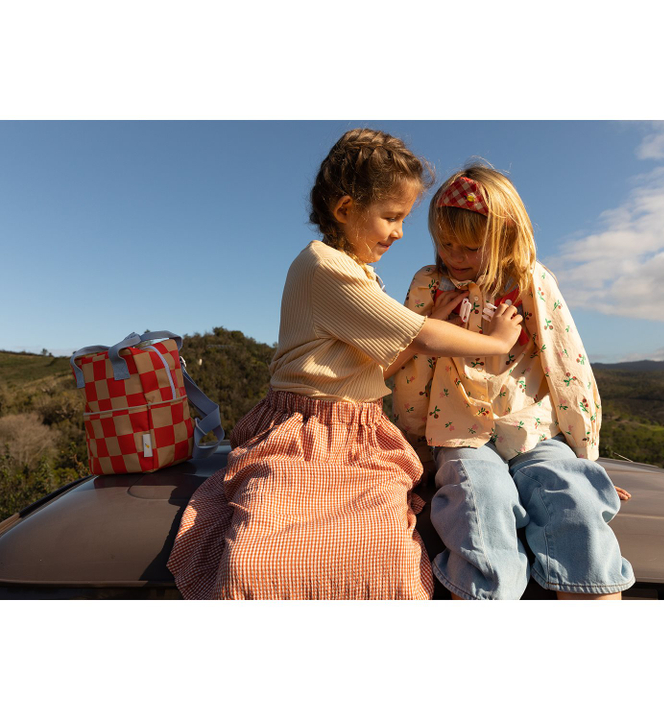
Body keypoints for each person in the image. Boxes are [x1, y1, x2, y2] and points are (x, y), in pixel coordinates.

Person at [167, 131, 523, 600]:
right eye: (391, 217)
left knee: (385, 549)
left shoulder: (353, 272)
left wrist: (429, 323)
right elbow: (417, 335)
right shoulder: (325, 267)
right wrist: (494, 340)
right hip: (305, 434)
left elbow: (382, 365)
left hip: (357, 433)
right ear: (345, 208)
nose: (400, 232)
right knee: (260, 551)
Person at [389, 165, 635, 600]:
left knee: (574, 496)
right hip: (459, 428)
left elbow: (566, 363)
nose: (455, 256)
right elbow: (414, 366)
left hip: (533, 426)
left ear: (506, 238)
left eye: (471, 247)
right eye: (446, 243)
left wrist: (584, 457)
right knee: (478, 498)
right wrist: (416, 443)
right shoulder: (430, 284)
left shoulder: (531, 282)